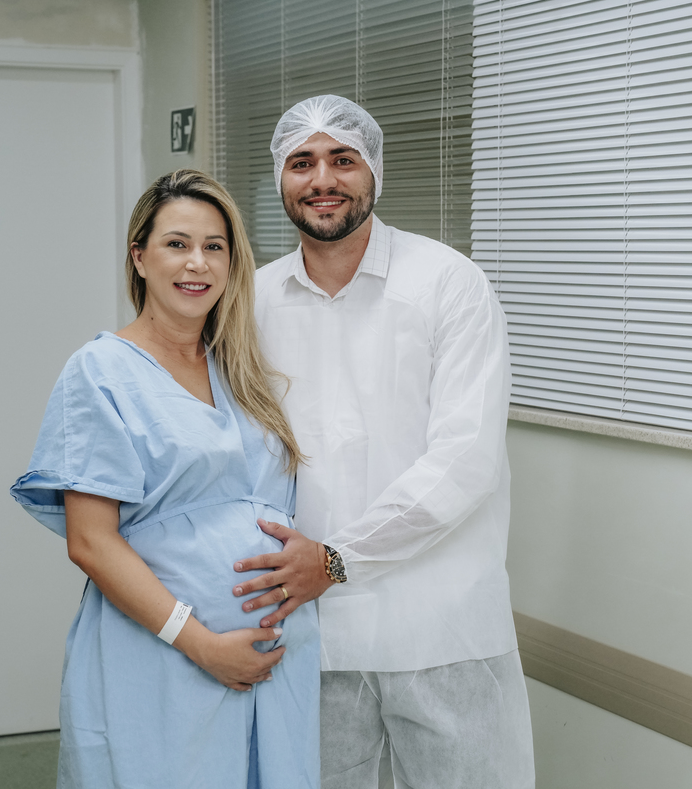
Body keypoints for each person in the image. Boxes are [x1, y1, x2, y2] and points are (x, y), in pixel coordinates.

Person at [230, 96, 536, 788]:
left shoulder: (447, 283)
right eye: (302, 163)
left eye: (343, 159)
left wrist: (336, 559)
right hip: (311, 635)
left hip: (441, 628)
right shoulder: (252, 300)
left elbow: (465, 460)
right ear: (279, 178)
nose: (323, 180)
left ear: (373, 170)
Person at [10, 169, 321, 789]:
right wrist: (201, 643)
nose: (197, 263)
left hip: (275, 663)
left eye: (214, 246)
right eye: (177, 244)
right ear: (140, 256)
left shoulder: (244, 371)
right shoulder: (100, 371)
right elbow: (90, 541)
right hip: (166, 656)